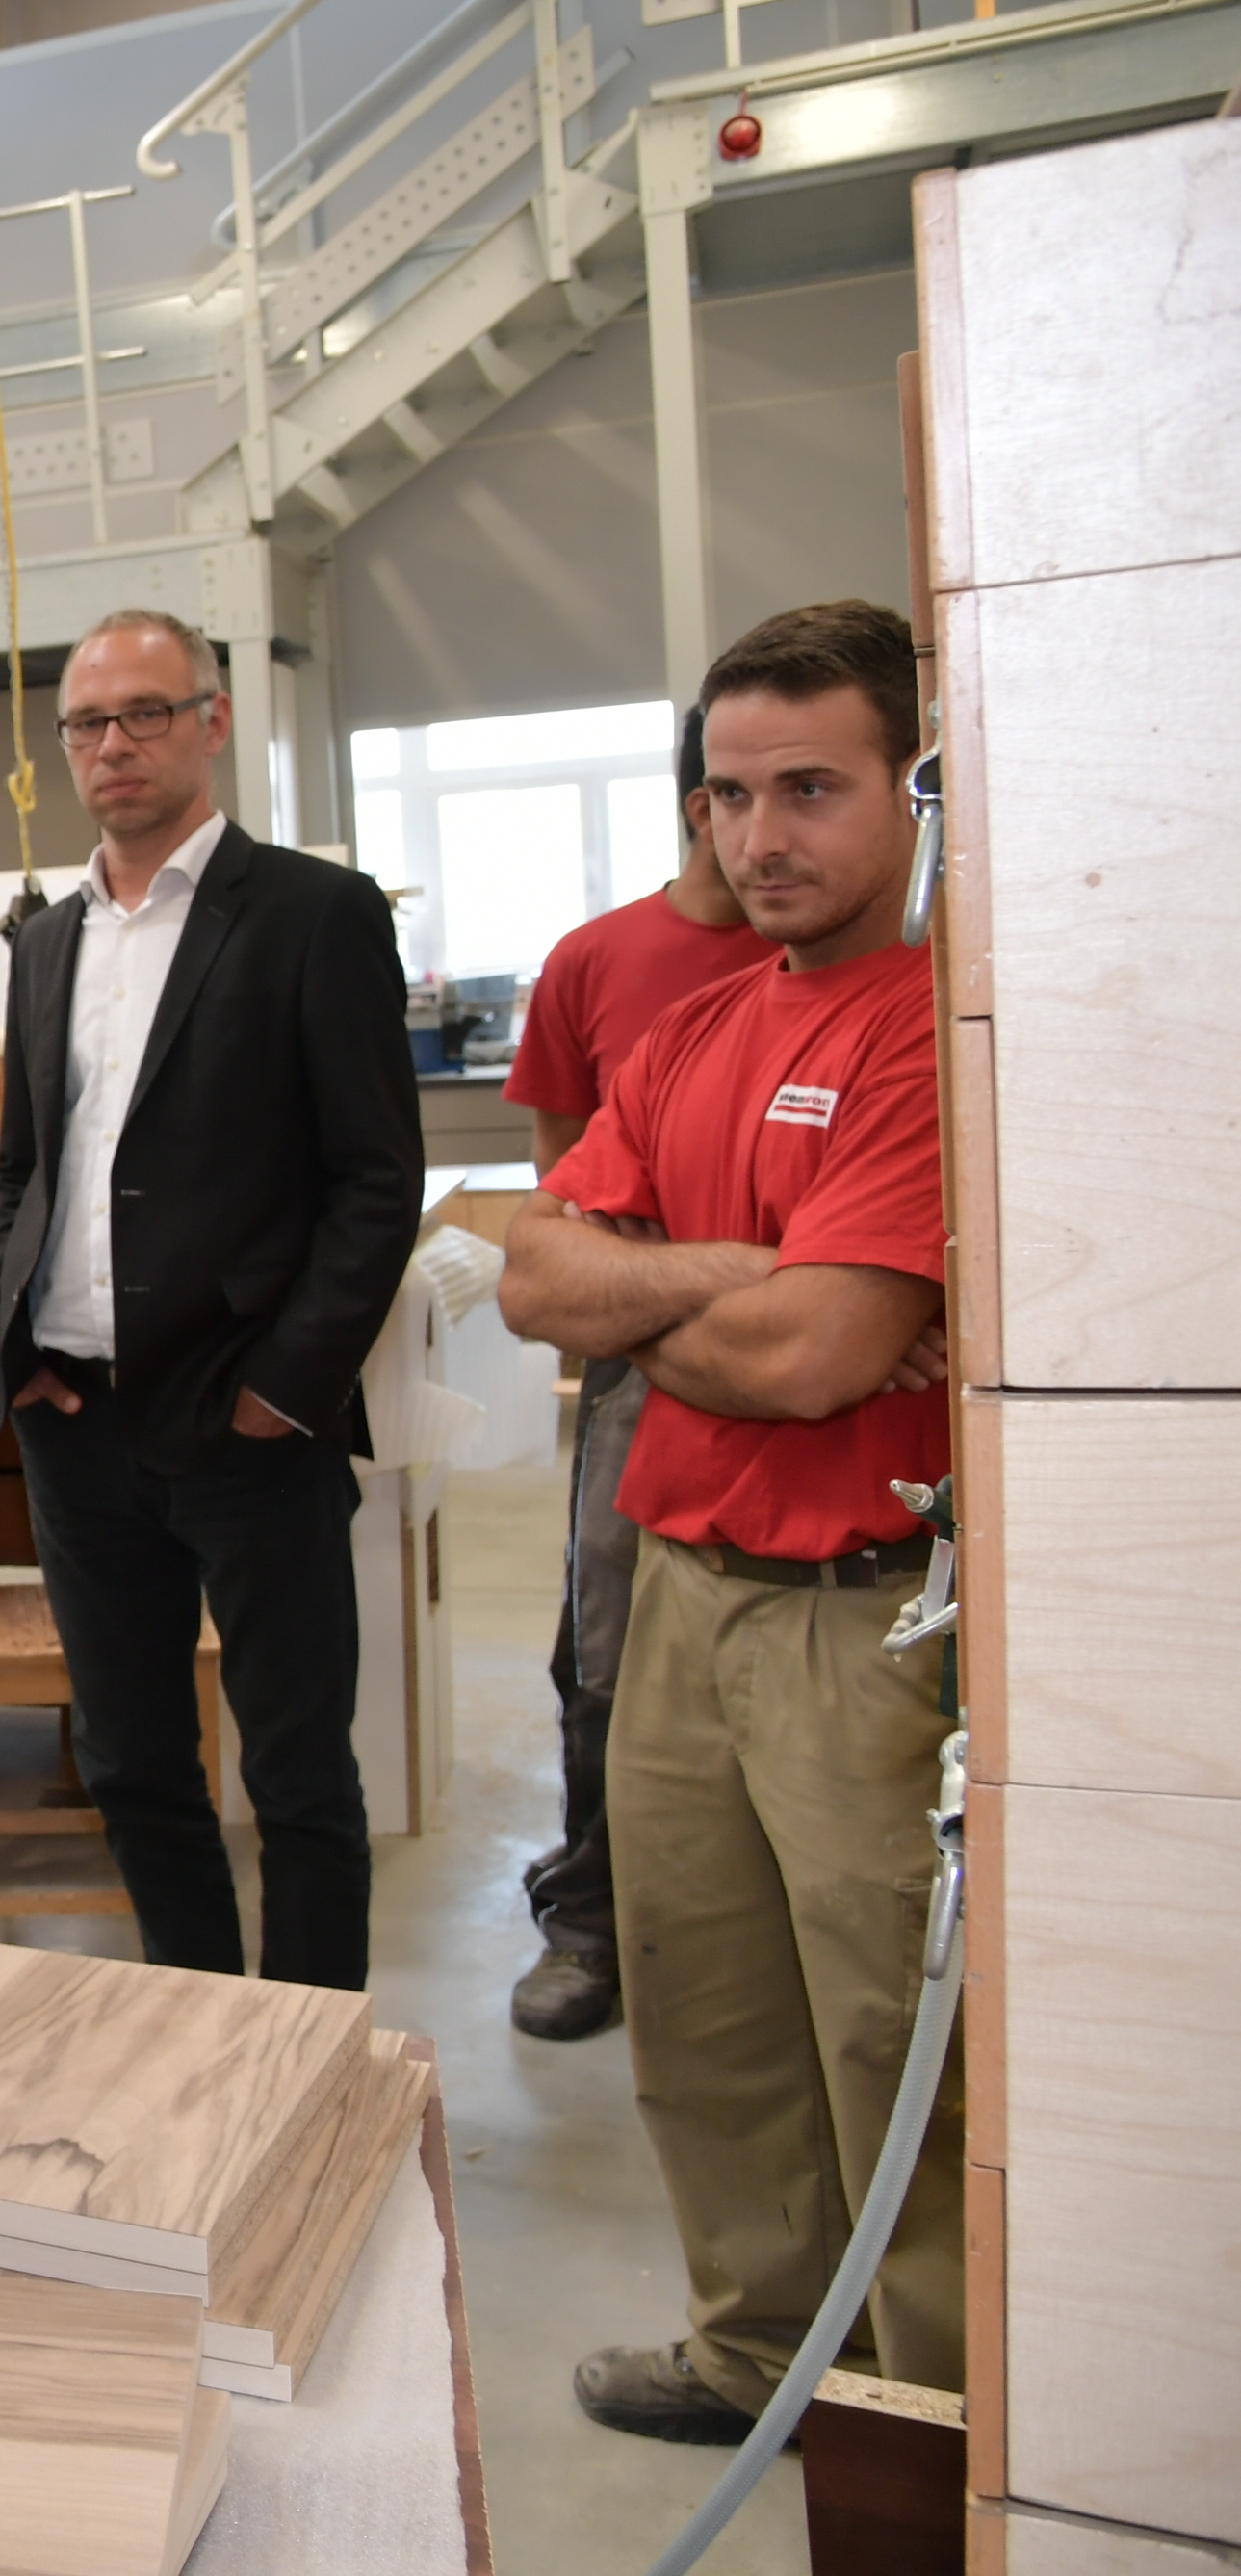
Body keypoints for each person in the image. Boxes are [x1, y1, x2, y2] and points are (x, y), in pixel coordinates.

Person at [497, 599, 960, 2445]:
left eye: (813, 789)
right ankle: (756, 2345)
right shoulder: (690, 1025)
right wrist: (751, 1275)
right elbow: (534, 1276)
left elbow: (817, 1353)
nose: (761, 836)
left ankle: (923, 2415)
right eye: (729, 794)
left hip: (860, 1615)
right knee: (706, 2006)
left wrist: (674, 1300)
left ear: (915, 787)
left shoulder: (938, 1026)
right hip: (676, 1593)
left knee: (881, 2033)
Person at [0, 608, 425, 1991]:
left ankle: (309, 2051)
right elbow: (24, 1168)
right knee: (131, 1761)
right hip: (81, 1422)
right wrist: (18, 1348)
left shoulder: (310, 916)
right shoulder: (46, 940)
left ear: (212, 722)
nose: (115, 746)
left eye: (146, 714)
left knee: (296, 1771)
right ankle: (200, 2023)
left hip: (248, 1424)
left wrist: (286, 1388)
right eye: (88, 725)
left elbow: (373, 1181)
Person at [496, 709, 773, 2041]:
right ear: (695, 807)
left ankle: (753, 1923)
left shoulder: (869, 963)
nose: (768, 834)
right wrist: (688, 1290)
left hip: (831, 1359)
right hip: (637, 1370)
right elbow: (569, 1210)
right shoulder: (600, 965)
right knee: (604, 1658)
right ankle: (597, 1926)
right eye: (736, 796)